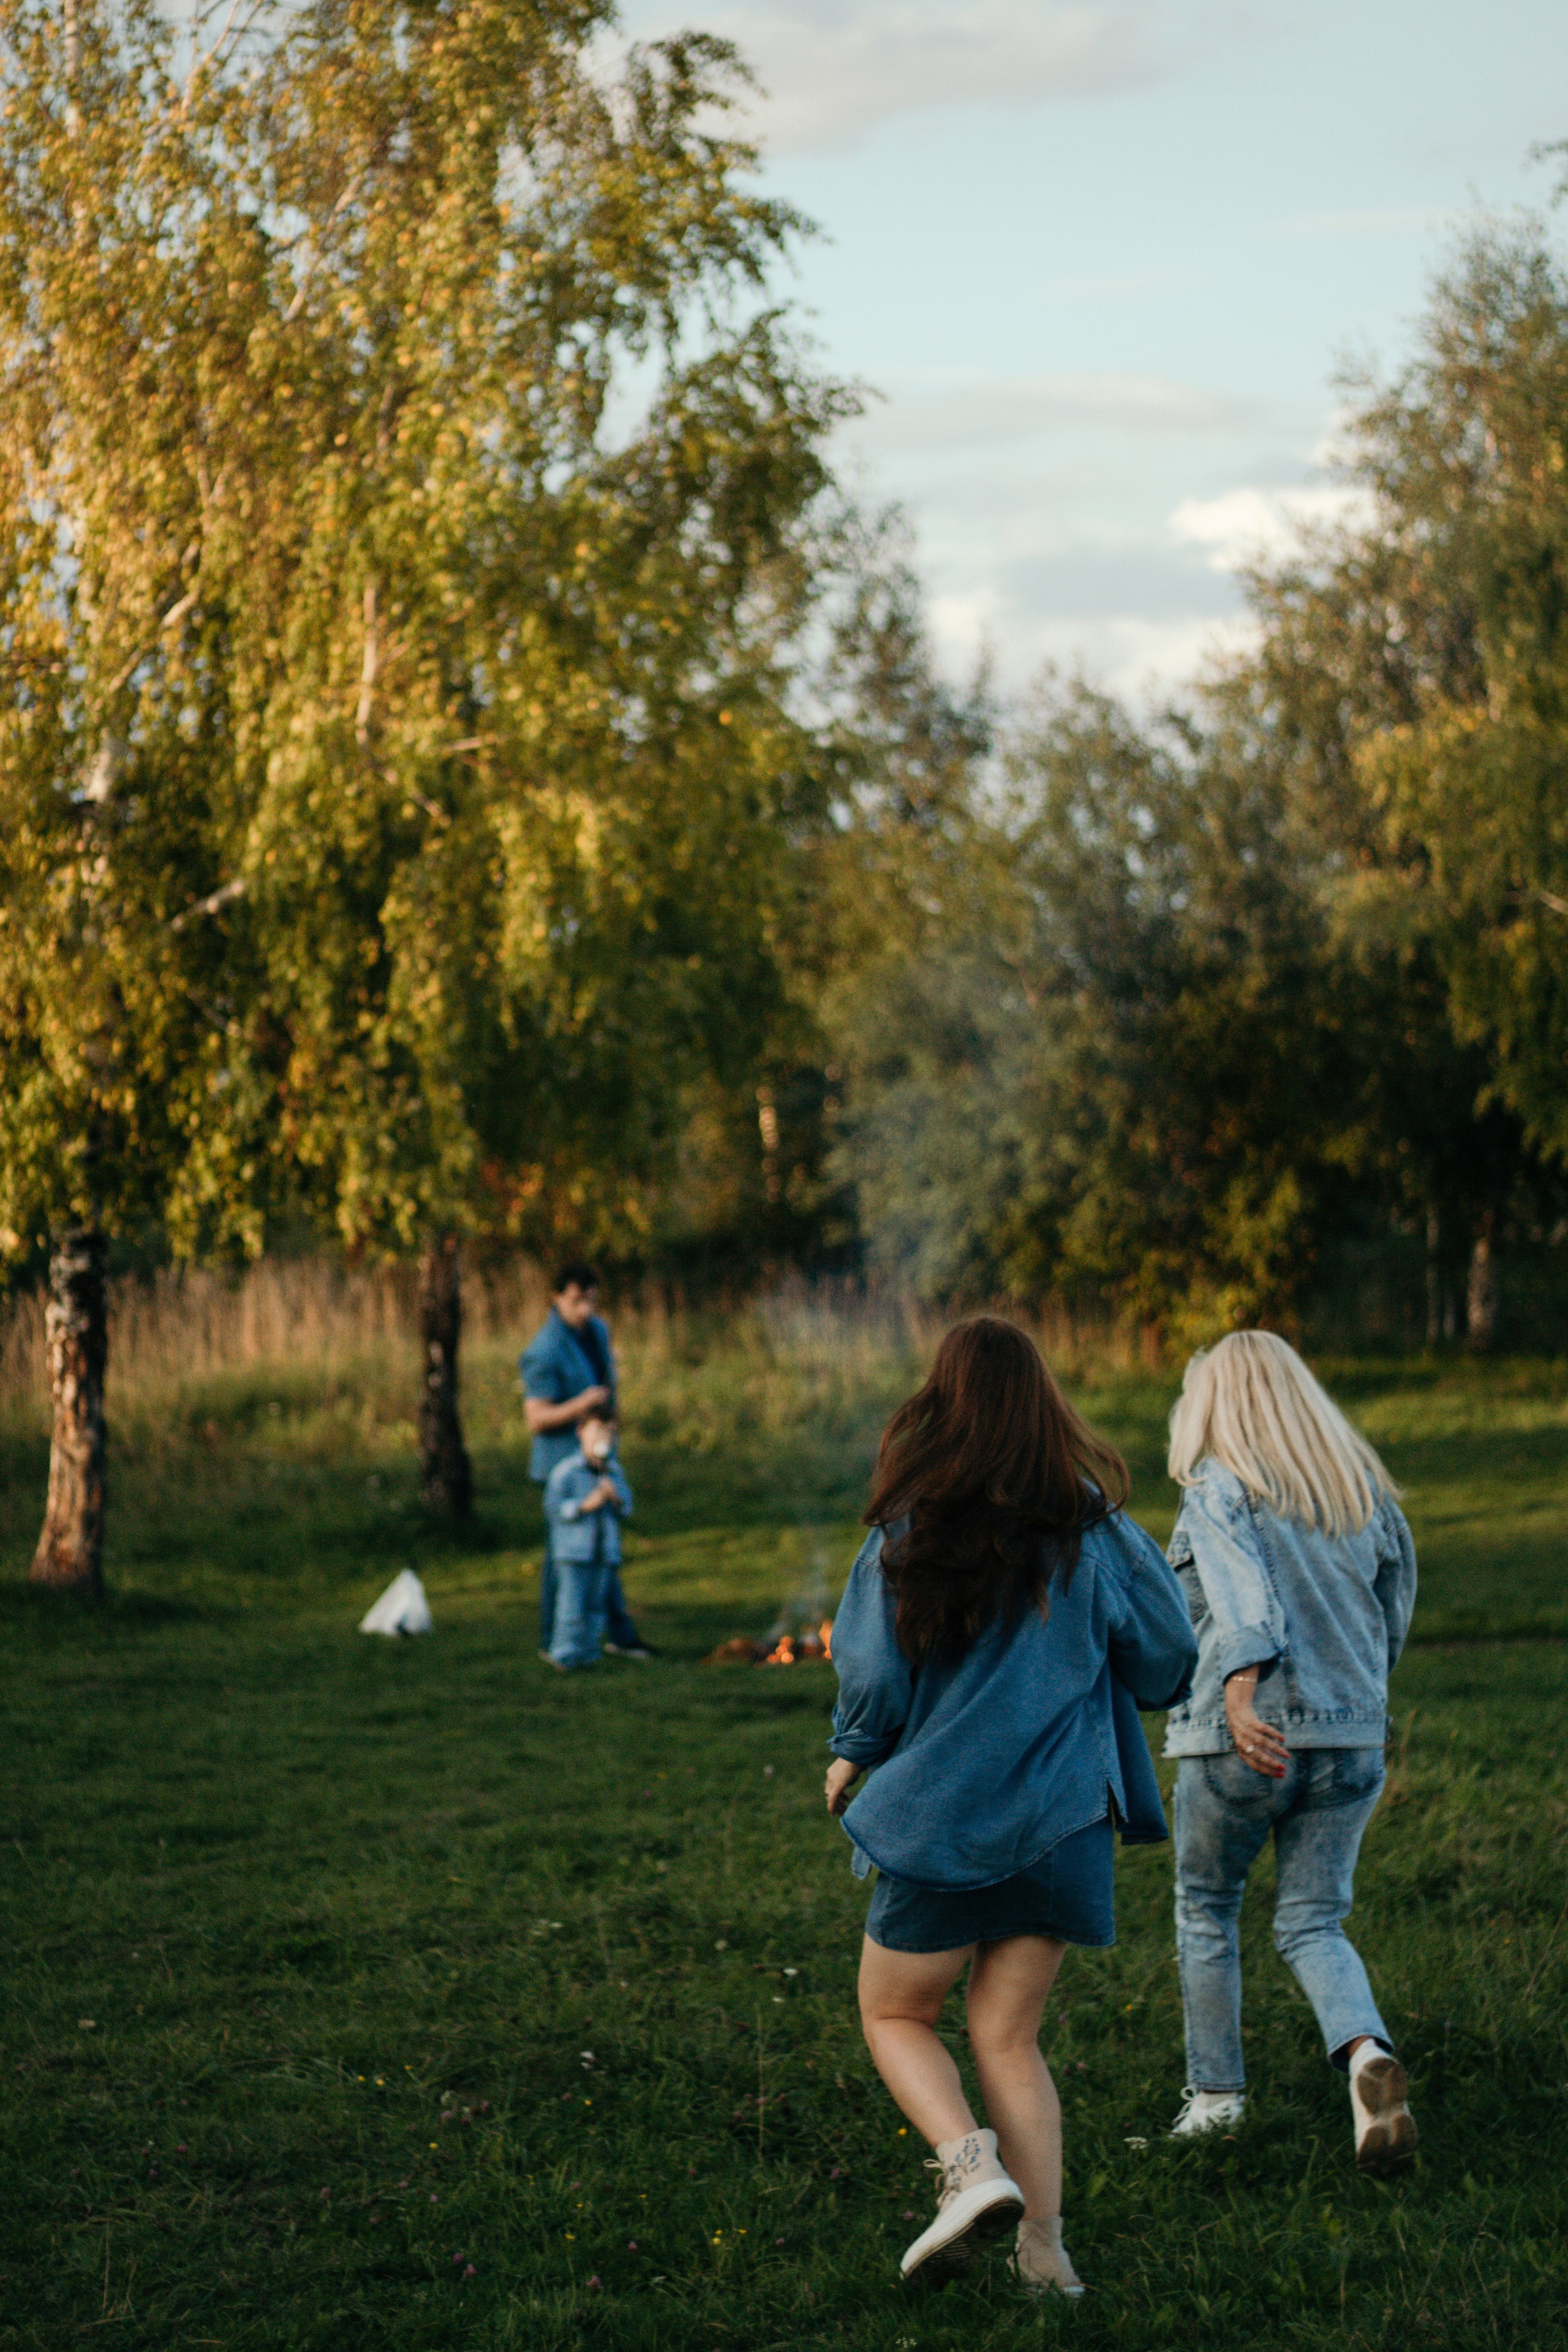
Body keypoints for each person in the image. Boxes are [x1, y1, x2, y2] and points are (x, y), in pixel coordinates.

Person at [824, 1317, 1196, 2297]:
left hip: (944, 1820)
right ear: (1044, 1404)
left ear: (940, 1401)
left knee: (896, 2011)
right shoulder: (1091, 1524)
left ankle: (969, 2167)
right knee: (1007, 2034)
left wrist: (855, 1749)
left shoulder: (912, 1520)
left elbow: (871, 1668)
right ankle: (1047, 2261)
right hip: (1066, 1823)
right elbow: (1166, 1659)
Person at [1162, 1330, 1419, 2174]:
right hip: (1352, 1738)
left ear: (1214, 1405)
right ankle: (1365, 2053)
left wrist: (1241, 1689)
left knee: (1208, 1909)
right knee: (1314, 1919)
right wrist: (1362, 1697)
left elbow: (1239, 1593)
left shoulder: (1220, 1489)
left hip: (1245, 1737)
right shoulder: (1364, 1495)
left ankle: (1218, 2100)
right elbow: (1393, 1608)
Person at [519, 1262, 649, 1661]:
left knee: (603, 1548)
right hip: (563, 1466)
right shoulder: (543, 1351)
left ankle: (617, 1634)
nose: (585, 1310)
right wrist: (584, 1404)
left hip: (598, 1459)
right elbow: (536, 1418)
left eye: (591, 1300)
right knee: (565, 1558)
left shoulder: (598, 1331)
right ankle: (552, 1641)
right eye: (577, 1301)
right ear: (557, 1298)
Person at [543, 1411, 634, 1670]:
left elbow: (627, 1508)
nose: (602, 1438)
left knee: (596, 1607)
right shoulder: (566, 1472)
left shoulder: (614, 1471)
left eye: (608, 1433)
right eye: (597, 1431)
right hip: (574, 1553)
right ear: (581, 1432)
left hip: (604, 1551)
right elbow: (553, 1508)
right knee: (571, 1608)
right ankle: (565, 1656)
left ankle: (589, 1654)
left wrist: (615, 1498)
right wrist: (583, 1506)